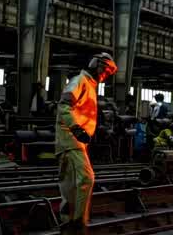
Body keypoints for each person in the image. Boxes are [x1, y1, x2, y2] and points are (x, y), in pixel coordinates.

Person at [56, 52, 117, 234]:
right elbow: (64, 106)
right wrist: (76, 129)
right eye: (104, 71)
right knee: (86, 178)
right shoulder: (79, 81)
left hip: (73, 141)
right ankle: (78, 225)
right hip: (71, 139)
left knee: (70, 186)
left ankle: (68, 225)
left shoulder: (89, 85)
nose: (105, 75)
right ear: (94, 64)